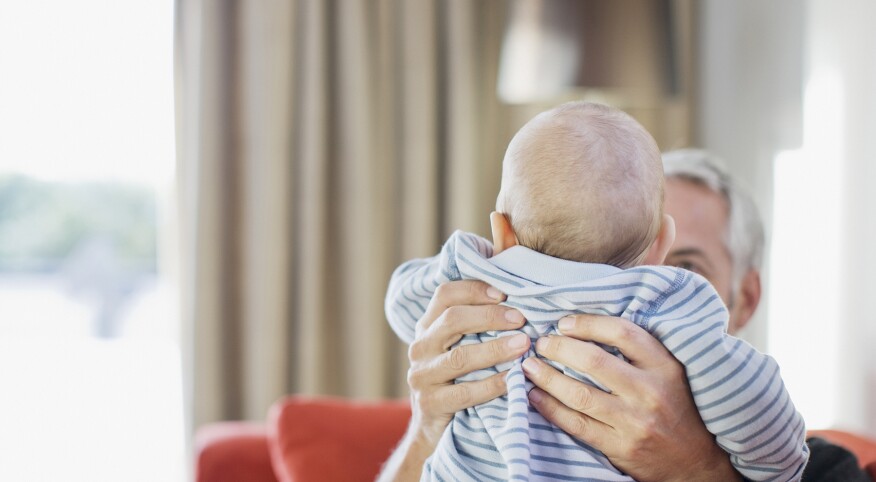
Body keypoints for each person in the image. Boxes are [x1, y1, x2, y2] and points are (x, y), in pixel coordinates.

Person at [383, 103, 808, 481]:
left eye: (688, 266)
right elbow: (769, 428)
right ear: (658, 246)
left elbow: (403, 302)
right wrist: (425, 430)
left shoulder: (471, 268)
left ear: (502, 231)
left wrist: (698, 469)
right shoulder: (666, 301)